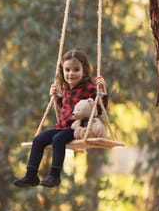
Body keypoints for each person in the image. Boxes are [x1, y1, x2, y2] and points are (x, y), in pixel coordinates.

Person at [14, 49, 107, 188]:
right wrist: (56, 97)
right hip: (62, 127)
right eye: (67, 70)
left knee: (58, 140)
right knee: (39, 139)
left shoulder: (89, 88)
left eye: (76, 69)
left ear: (84, 70)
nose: (71, 73)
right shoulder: (66, 89)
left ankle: (54, 175)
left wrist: (103, 91)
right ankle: (31, 175)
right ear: (62, 71)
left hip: (76, 128)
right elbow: (64, 107)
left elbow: (99, 109)